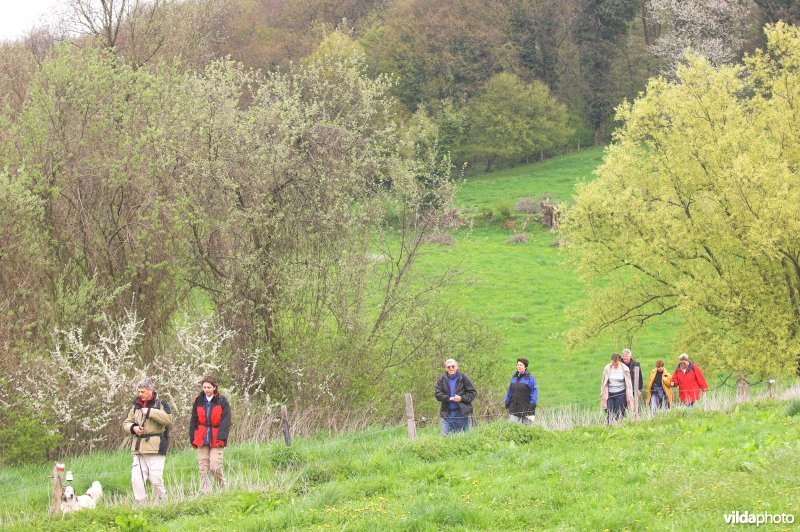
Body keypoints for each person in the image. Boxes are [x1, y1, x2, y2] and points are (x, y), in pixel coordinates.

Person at [123, 378, 173, 503]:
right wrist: (133, 428)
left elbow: (168, 420)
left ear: (151, 390)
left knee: (156, 478)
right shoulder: (136, 406)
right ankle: (141, 504)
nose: (140, 394)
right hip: (138, 447)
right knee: (137, 479)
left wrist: (150, 412)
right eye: (139, 391)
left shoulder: (162, 403)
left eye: (143, 392)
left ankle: (162, 500)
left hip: (155, 446)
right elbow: (126, 423)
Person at [189, 375, 231, 494]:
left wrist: (222, 438)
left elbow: (226, 421)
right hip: (201, 436)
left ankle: (222, 488)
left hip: (217, 437)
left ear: (214, 388)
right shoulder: (198, 401)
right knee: (203, 467)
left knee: (215, 467)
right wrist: (192, 438)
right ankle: (205, 491)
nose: (206, 390)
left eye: (209, 387)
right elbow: (194, 420)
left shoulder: (222, 401)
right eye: (204, 387)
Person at [434, 359, 477, 435]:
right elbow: (437, 394)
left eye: (453, 366)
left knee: (463, 438)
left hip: (461, 413)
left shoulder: (464, 378)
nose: (451, 368)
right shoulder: (441, 380)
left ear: (457, 367)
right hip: (446, 413)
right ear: (446, 368)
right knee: (445, 438)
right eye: (449, 367)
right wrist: (448, 398)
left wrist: (461, 398)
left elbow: (472, 393)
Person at [600, 353, 633, 424]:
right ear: (611, 361)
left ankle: (619, 427)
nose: (614, 364)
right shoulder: (607, 368)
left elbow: (628, 382)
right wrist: (602, 391)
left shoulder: (625, 369)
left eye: (616, 363)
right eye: (613, 362)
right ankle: (609, 427)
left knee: (619, 412)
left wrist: (629, 393)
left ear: (619, 361)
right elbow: (603, 381)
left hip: (621, 393)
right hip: (610, 394)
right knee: (609, 411)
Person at [504, 358, 538, 425]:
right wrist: (507, 402)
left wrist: (532, 405)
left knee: (528, 431)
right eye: (518, 365)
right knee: (512, 429)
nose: (519, 366)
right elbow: (509, 392)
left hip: (528, 409)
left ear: (525, 367)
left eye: (521, 365)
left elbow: (534, 393)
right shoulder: (514, 378)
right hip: (514, 409)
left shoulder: (531, 379)